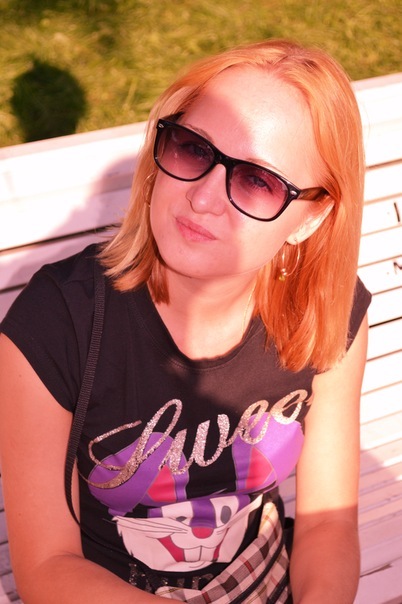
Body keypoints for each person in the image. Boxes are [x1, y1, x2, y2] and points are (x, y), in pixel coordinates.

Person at [0, 39, 371, 603]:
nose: (202, 199)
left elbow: (328, 521)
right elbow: (48, 568)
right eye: (194, 149)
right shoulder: (56, 322)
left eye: (258, 181)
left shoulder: (324, 312)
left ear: (311, 219)